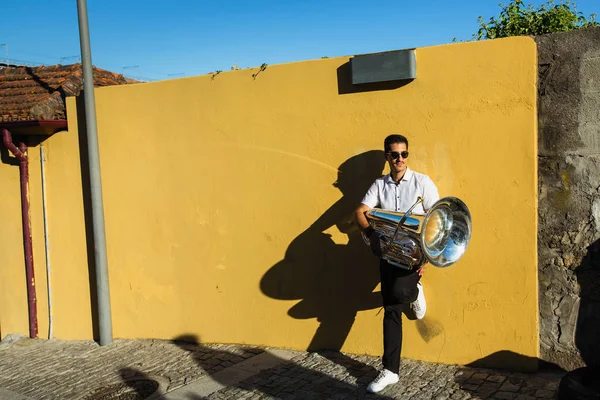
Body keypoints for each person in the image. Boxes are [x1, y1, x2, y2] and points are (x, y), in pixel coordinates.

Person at [354, 134, 440, 394]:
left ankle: (415, 291)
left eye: (404, 154)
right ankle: (390, 370)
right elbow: (360, 211)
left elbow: (437, 220)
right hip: (387, 253)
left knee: (401, 293)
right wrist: (371, 235)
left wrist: (427, 256)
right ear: (386, 157)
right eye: (394, 154)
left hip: (414, 254)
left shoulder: (422, 182)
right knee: (391, 308)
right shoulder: (379, 184)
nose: (399, 159)